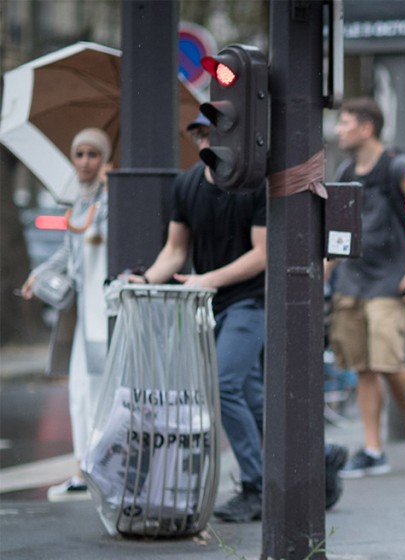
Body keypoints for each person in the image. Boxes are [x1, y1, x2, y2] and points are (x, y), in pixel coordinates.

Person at [131, 112, 346, 521]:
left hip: (251, 300)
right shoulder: (187, 184)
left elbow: (262, 254)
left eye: (214, 132)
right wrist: (142, 279)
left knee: (224, 384)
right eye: (199, 134)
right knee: (252, 397)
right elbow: (175, 251)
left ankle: (255, 485)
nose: (206, 140)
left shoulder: (255, 186)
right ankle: (320, 458)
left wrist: (206, 280)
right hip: (214, 302)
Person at [326, 97, 405, 478]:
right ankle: (373, 451)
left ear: (366, 128)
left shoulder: (398, 166)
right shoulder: (345, 170)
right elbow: (339, 231)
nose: (338, 129)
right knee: (362, 366)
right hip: (352, 281)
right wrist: (325, 272)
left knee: (388, 361)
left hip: (391, 280)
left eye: (344, 122)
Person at [21, 128, 111, 501]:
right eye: (79, 154)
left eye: (93, 154)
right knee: (78, 392)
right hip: (81, 312)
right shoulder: (77, 204)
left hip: (104, 311)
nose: (85, 161)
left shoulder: (111, 201)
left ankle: (102, 469)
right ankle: (81, 469)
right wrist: (38, 275)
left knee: (101, 391)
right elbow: (67, 252)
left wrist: (114, 189)